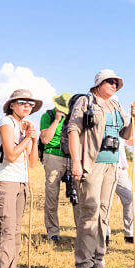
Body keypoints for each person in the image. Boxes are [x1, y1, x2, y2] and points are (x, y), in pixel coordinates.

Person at [66, 70, 135, 268]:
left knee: (103, 214)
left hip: (112, 165)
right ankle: (84, 264)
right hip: (92, 163)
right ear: (98, 83)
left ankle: (98, 261)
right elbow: (73, 130)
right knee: (89, 212)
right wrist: (76, 162)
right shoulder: (86, 102)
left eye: (116, 82)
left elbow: (126, 135)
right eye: (110, 81)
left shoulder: (116, 105)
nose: (114, 85)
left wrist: (133, 118)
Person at [0, 89, 41, 268]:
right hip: (5, 181)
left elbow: (32, 163)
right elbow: (10, 155)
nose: (27, 106)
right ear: (12, 105)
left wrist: (34, 140)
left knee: (14, 234)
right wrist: (27, 138)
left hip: (21, 182)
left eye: (30, 104)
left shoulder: (23, 127)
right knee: (8, 232)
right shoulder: (6, 123)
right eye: (22, 103)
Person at [102, 127, 135, 246]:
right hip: (104, 167)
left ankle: (131, 234)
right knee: (104, 202)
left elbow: (127, 141)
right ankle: (104, 235)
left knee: (131, 198)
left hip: (120, 169)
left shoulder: (118, 122)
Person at [38, 92, 74, 242]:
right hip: (53, 156)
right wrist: (57, 120)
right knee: (52, 195)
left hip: (71, 157)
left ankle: (82, 230)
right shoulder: (48, 116)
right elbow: (45, 139)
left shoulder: (74, 116)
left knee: (77, 196)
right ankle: (53, 231)